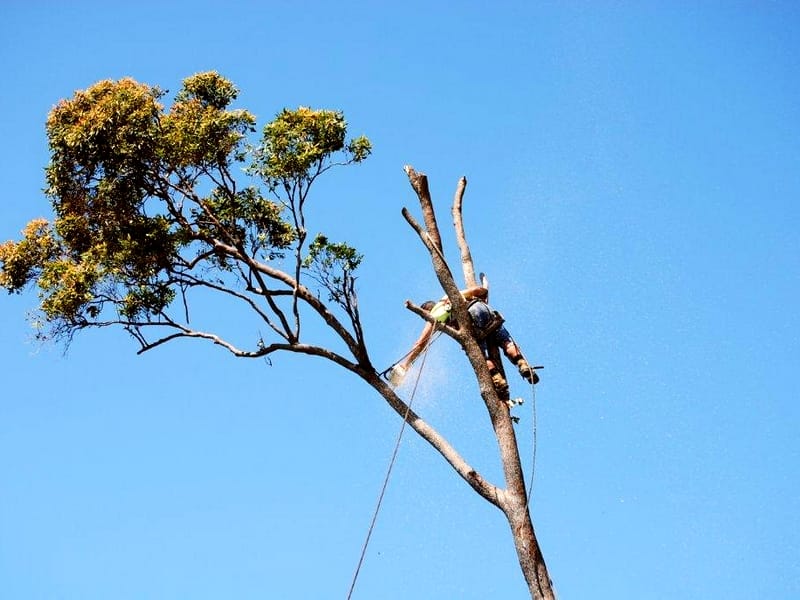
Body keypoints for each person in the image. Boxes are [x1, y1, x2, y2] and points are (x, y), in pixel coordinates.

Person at [388, 286, 538, 405]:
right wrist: (482, 294)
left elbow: (420, 343)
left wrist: (405, 365)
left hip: (472, 320)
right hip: (482, 308)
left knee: (479, 354)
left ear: (426, 312)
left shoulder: (434, 315)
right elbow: (480, 290)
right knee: (506, 343)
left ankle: (498, 381)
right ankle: (522, 364)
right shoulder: (449, 296)